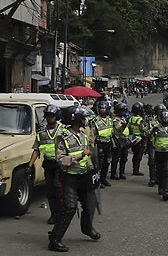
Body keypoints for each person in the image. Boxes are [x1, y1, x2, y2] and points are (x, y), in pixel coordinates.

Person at [48, 106, 100, 252]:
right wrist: (80, 155)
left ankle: (87, 228)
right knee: (69, 209)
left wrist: (92, 169)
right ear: (75, 119)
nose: (84, 120)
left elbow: (89, 153)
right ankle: (55, 240)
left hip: (84, 176)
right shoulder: (63, 138)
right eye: (82, 118)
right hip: (69, 178)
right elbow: (61, 160)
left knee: (90, 205)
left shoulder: (83, 135)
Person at [27, 105, 63, 224]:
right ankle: (54, 214)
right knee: (50, 191)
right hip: (48, 164)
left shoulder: (64, 130)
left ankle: (62, 214)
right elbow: (36, 149)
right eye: (47, 116)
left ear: (56, 117)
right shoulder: (42, 132)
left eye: (52, 116)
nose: (49, 118)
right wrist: (30, 165)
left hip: (61, 164)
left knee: (59, 189)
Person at [90, 101, 114, 188]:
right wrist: (91, 145)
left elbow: (111, 132)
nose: (102, 110)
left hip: (108, 144)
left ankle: (103, 179)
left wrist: (113, 143)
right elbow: (92, 135)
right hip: (99, 144)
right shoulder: (95, 121)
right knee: (99, 163)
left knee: (107, 162)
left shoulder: (110, 119)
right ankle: (98, 181)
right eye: (101, 108)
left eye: (104, 108)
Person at [129, 102, 149, 176]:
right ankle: (136, 170)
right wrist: (147, 126)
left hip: (132, 138)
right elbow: (143, 129)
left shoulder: (131, 118)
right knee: (138, 156)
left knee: (135, 155)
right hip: (139, 139)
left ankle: (135, 169)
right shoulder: (140, 120)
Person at [110, 103, 130, 180]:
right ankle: (113, 173)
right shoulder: (116, 120)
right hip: (118, 140)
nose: (124, 112)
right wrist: (123, 125)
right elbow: (118, 128)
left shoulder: (123, 119)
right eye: (122, 111)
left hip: (124, 140)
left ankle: (122, 172)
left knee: (124, 158)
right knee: (116, 158)